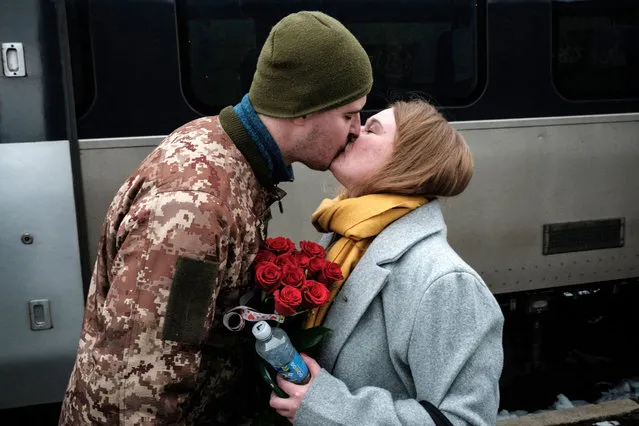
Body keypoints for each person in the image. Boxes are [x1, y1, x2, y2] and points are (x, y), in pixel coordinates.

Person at [59, 11, 373, 425]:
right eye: (348, 115)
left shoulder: (227, 153)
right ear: (302, 109)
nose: (356, 130)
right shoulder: (196, 207)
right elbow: (140, 387)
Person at [269, 99, 504, 425]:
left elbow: (465, 421)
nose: (353, 131)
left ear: (408, 161)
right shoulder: (346, 239)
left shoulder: (446, 281)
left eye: (371, 129)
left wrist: (328, 409)